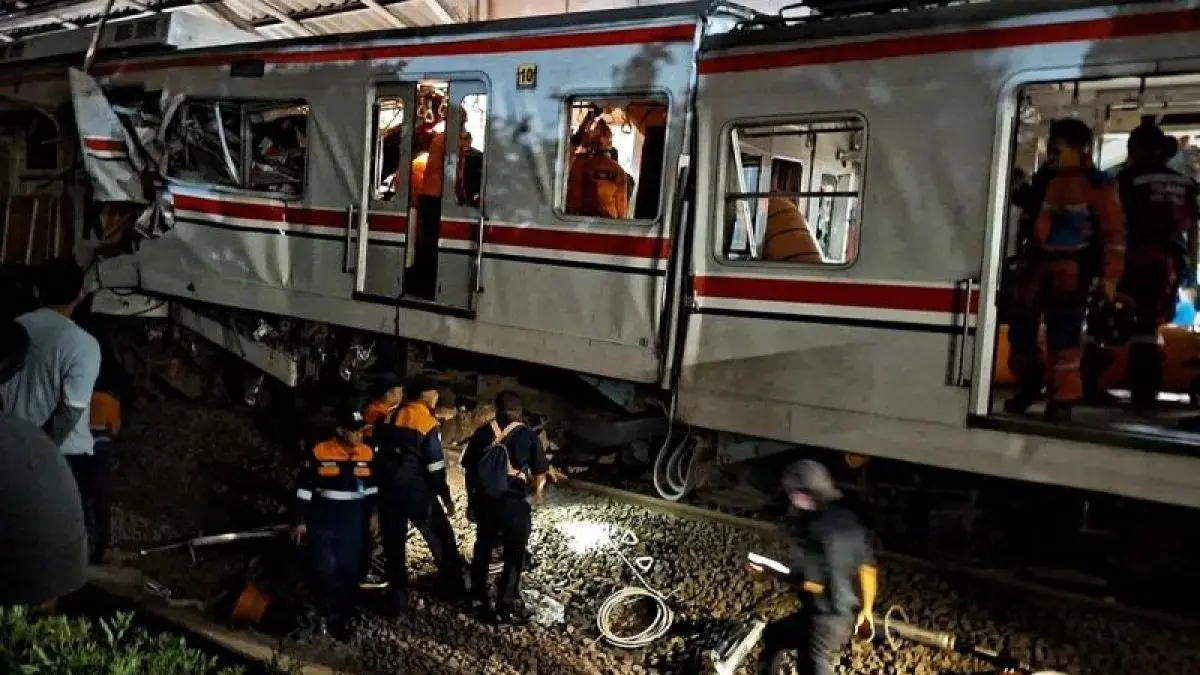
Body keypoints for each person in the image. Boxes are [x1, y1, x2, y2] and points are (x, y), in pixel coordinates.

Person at [1004, 119, 1125, 421]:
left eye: (1058, 147)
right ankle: (1027, 386)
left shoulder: (1098, 185)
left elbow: (1113, 236)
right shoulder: (1044, 178)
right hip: (1034, 265)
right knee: (1021, 332)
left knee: (1064, 336)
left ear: (1081, 149)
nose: (1051, 152)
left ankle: (1062, 400)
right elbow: (1032, 212)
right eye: (1051, 146)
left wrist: (1109, 279)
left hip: (1072, 269)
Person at [749, 460, 877, 675]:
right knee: (774, 634)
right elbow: (868, 569)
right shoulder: (848, 519)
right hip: (845, 618)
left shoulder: (815, 529)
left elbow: (812, 584)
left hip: (822, 621)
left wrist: (769, 572)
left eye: (792, 494)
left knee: (811, 664)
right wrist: (867, 609)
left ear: (805, 494)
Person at [1115, 122, 1200, 407]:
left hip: (1133, 257)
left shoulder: (1129, 179)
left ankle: (1137, 388)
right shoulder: (1186, 184)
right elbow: (1193, 229)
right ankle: (1146, 388)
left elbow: (1113, 220)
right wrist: (1190, 268)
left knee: (1130, 320)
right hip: (1171, 262)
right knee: (1150, 323)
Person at [373, 375, 466, 615]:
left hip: (388, 491)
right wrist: (445, 497)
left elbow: (379, 453)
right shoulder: (426, 421)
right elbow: (435, 467)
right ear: (425, 394)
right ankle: (453, 589)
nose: (437, 397)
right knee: (440, 537)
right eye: (435, 392)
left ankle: (397, 599)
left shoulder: (391, 415)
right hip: (417, 492)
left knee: (394, 546)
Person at [462, 390, 552, 625]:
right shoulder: (528, 435)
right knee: (514, 556)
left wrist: (472, 502)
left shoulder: (483, 432)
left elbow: (469, 470)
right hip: (513, 504)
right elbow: (540, 472)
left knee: (483, 550)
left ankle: (478, 599)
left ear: (496, 408)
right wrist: (536, 495)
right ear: (519, 411)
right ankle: (505, 606)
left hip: (486, 502)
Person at [291, 405, 378, 640]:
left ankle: (341, 621)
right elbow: (304, 489)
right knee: (323, 569)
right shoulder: (320, 452)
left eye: (361, 431)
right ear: (340, 431)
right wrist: (300, 520)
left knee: (348, 573)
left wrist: (373, 514)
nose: (359, 435)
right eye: (354, 431)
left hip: (353, 524)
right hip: (324, 522)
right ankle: (320, 617)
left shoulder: (366, 453)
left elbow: (371, 488)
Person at [86, 375, 121, 564]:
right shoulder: (112, 403)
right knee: (101, 499)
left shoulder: (87, 397)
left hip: (82, 450)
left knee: (84, 496)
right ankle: (102, 545)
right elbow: (114, 430)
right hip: (103, 450)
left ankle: (86, 540)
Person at [565, 121, 631, 219]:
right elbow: (621, 207)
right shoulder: (618, 170)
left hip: (581, 219)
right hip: (608, 221)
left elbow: (573, 198)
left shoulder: (579, 164)